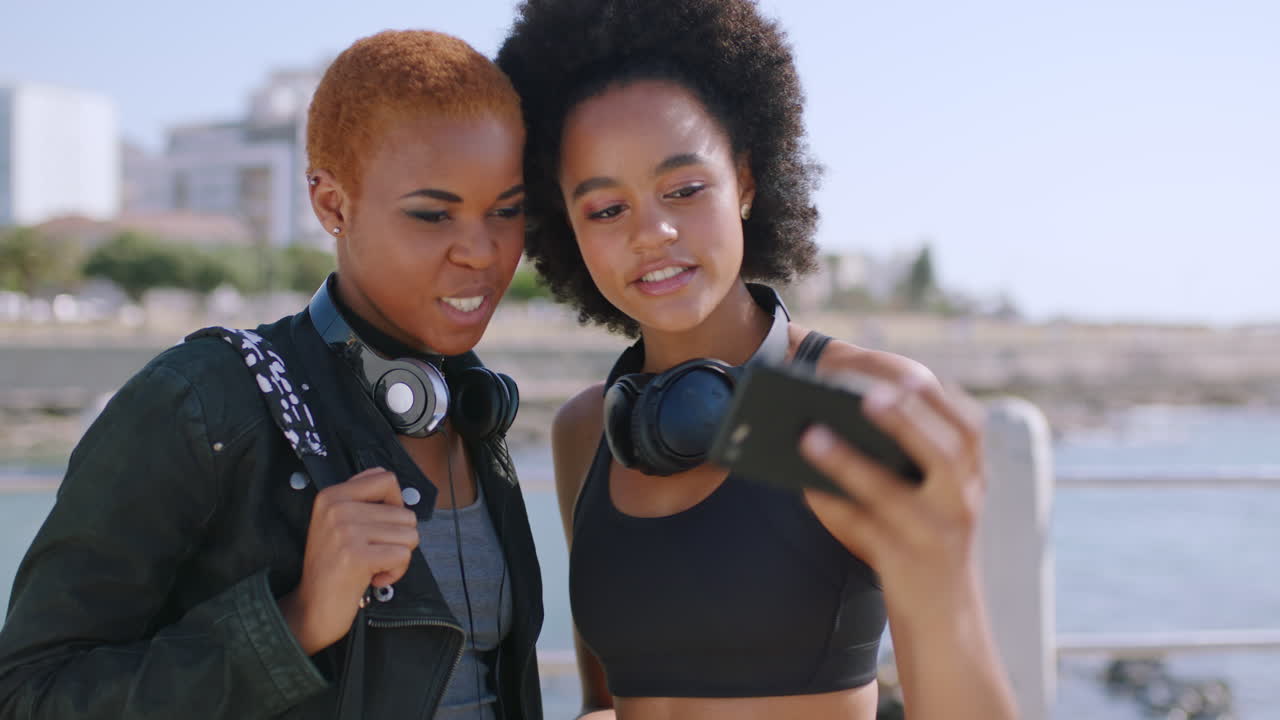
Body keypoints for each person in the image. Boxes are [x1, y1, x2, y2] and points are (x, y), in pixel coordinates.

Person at [0, 31, 543, 720]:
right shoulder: (198, 404)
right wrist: (293, 623)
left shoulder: (473, 409)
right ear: (332, 205)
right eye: (433, 214)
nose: (482, 251)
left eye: (507, 210)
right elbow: (27, 695)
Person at [497, 2, 1018, 719]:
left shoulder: (863, 399)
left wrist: (944, 573)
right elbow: (603, 702)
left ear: (744, 179)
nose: (653, 233)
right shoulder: (590, 428)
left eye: (683, 189)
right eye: (606, 209)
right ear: (565, 222)